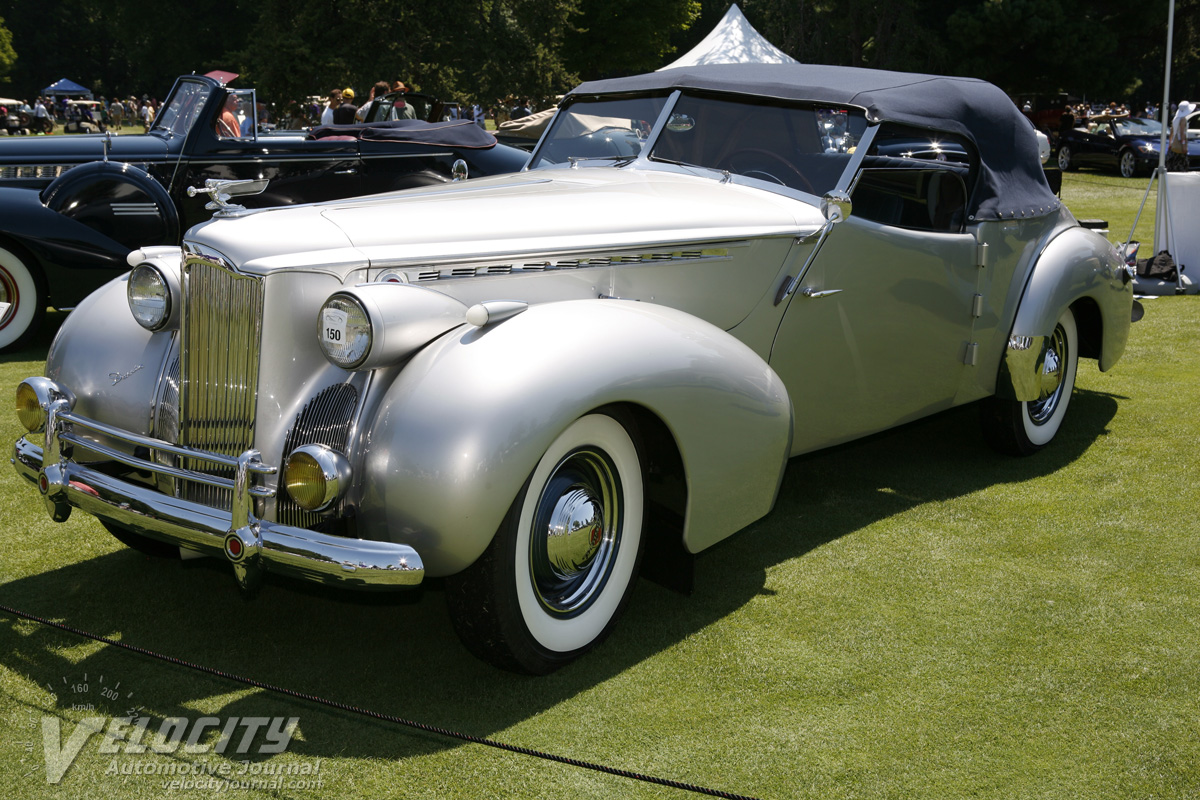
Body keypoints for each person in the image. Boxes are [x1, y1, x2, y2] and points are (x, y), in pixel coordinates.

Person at [1168, 100, 1194, 173]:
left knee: (1173, 166)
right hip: (1180, 143)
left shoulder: (1175, 118)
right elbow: (1182, 133)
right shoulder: (1183, 119)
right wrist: (1184, 145)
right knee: (1182, 166)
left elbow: (1171, 132)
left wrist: (1170, 143)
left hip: (1174, 144)